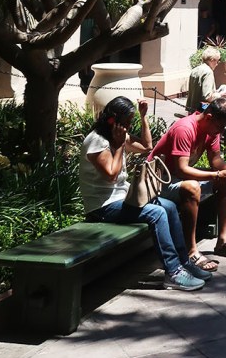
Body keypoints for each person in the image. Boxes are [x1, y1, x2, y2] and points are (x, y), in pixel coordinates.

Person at [79, 96, 209, 291]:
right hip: (102, 207)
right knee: (156, 213)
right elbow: (111, 176)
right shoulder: (97, 141)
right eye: (127, 122)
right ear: (114, 121)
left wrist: (143, 117)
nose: (128, 127)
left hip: (121, 200)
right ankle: (173, 272)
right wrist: (120, 144)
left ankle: (184, 262)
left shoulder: (117, 135)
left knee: (170, 206)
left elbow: (147, 146)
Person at [149, 97, 226, 268]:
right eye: (220, 127)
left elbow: (215, 161)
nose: (221, 132)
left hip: (178, 177)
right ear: (209, 117)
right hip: (159, 182)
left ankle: (222, 241)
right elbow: (181, 169)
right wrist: (217, 175)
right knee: (192, 187)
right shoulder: (184, 128)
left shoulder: (211, 130)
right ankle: (191, 251)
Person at [185, 46, 223, 113]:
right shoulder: (208, 72)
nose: (217, 64)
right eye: (217, 61)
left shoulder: (195, 70)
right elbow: (207, 96)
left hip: (192, 108)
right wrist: (220, 95)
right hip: (202, 109)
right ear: (212, 60)